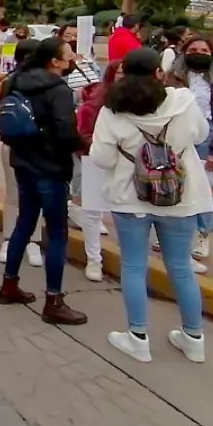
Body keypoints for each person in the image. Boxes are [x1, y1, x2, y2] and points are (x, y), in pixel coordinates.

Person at [89, 47, 211, 363]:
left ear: (124, 72)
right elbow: (201, 135)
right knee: (181, 267)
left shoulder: (112, 110)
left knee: (133, 265)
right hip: (179, 196)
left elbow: (100, 158)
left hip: (130, 198)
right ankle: (194, 338)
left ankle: (137, 337)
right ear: (160, 72)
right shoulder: (184, 102)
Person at [0, 37, 86, 325]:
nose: (72, 58)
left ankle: (9, 285)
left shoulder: (16, 80)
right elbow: (65, 131)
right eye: (68, 54)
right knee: (57, 233)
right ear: (55, 61)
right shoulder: (57, 88)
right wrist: (81, 144)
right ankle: (54, 300)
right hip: (50, 167)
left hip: (22, 161)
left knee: (24, 223)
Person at [163, 36, 213, 271]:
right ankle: (170, 234)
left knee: (204, 190)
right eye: (193, 49)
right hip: (175, 136)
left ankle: (202, 234)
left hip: (206, 137)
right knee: (174, 185)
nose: (199, 52)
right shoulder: (171, 79)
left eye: (204, 49)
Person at [74, 59, 123, 281]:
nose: (125, 76)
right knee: (93, 212)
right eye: (120, 72)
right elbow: (83, 131)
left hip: (129, 165)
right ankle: (94, 259)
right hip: (97, 160)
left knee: (126, 212)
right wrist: (99, 149)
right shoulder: (97, 101)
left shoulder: (146, 100)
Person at [0, 39, 44, 266]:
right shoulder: (10, 82)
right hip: (15, 145)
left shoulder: (48, 83)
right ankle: (9, 238)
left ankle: (33, 241)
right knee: (14, 195)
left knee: (36, 196)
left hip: (39, 147)